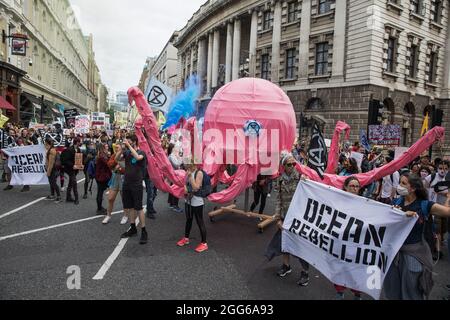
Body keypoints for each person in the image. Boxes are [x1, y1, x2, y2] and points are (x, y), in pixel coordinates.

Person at [384, 173, 450, 300]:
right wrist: (394, 212)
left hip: (414, 255)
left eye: (403, 183)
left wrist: (448, 197)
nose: (399, 186)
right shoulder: (396, 202)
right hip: (394, 254)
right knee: (392, 290)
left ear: (413, 188)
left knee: (412, 291)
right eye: (400, 183)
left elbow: (447, 211)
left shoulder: (425, 205)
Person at [274, 153, 310, 287]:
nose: (292, 166)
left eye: (294, 164)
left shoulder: (301, 178)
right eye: (289, 164)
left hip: (299, 217)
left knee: (301, 246)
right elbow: (278, 199)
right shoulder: (280, 180)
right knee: (285, 243)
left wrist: (307, 181)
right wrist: (278, 218)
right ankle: (286, 266)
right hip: (285, 216)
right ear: (283, 166)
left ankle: (305, 272)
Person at [333, 177, 363, 300]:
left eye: (357, 186)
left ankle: (357, 294)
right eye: (352, 186)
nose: (354, 189)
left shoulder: (365, 203)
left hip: (356, 243)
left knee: (356, 269)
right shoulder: (338, 201)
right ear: (345, 187)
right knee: (339, 267)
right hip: (340, 242)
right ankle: (340, 293)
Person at [119, 136, 148, 245]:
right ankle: (132, 228)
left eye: (129, 142)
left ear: (134, 142)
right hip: (127, 183)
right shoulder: (127, 152)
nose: (127, 143)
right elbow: (117, 159)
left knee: (138, 207)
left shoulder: (141, 152)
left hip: (136, 184)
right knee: (130, 207)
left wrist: (129, 146)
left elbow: (138, 157)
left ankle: (144, 231)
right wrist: (121, 149)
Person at [177, 162, 208, 253]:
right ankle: (186, 238)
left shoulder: (199, 173)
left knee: (199, 221)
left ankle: (204, 243)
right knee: (189, 220)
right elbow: (185, 186)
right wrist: (185, 187)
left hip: (197, 201)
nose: (187, 166)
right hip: (188, 200)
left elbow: (196, 187)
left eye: (189, 164)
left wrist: (190, 177)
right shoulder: (188, 172)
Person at [423, 161, 449, 260]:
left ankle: (438, 243)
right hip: (434, 207)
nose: (443, 170)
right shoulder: (431, 177)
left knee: (443, 230)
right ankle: (437, 251)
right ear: (437, 168)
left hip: (446, 207)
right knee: (437, 230)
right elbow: (425, 189)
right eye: (441, 168)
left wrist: (445, 194)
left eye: (446, 168)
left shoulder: (448, 178)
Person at [102, 144, 126, 225]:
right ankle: (108, 215)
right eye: (116, 147)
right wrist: (117, 161)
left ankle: (125, 215)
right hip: (115, 177)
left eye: (118, 147)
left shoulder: (126, 154)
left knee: (124, 199)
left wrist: (119, 167)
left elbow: (127, 168)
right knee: (110, 198)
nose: (116, 148)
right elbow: (109, 164)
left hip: (123, 178)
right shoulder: (114, 155)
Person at [62, 138, 81, 205]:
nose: (80, 143)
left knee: (71, 182)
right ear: (77, 142)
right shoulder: (69, 149)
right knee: (74, 183)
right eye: (79, 142)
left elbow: (79, 159)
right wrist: (73, 165)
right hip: (69, 169)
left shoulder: (78, 149)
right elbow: (66, 160)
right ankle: (76, 199)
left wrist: (80, 165)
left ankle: (68, 197)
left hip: (75, 169)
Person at [95, 143, 112, 215]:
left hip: (100, 176)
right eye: (105, 147)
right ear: (102, 148)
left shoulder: (101, 155)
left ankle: (99, 208)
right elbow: (108, 164)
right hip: (101, 176)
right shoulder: (102, 156)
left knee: (100, 192)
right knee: (100, 192)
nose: (107, 148)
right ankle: (99, 209)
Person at [44, 138, 62, 203]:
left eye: (45, 144)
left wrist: (48, 171)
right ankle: (52, 195)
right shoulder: (50, 150)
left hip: (52, 169)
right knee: (51, 183)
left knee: (53, 183)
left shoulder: (52, 150)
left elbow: (51, 163)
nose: (44, 145)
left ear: (47, 144)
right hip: (50, 169)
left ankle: (59, 197)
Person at [168, 144, 183, 213]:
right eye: (175, 147)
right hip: (175, 175)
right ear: (172, 148)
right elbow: (177, 164)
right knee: (176, 189)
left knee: (173, 189)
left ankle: (171, 204)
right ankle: (175, 205)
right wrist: (181, 159)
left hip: (175, 174)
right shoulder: (171, 156)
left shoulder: (173, 155)